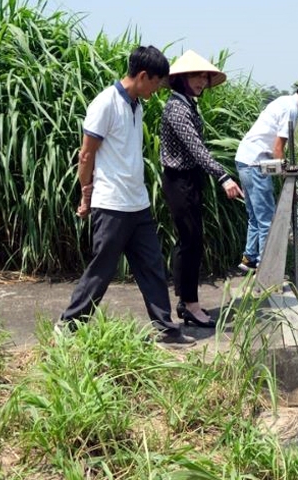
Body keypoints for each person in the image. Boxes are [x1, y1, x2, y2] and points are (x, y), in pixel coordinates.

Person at [56, 45, 193, 345]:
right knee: (101, 270)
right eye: (156, 82)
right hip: (112, 204)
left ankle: (164, 328)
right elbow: (85, 155)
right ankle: (68, 326)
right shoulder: (105, 104)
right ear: (143, 76)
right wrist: (85, 196)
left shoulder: (137, 105)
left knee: (152, 266)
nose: (157, 89)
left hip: (137, 203)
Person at [160, 50, 243, 327]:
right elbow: (197, 149)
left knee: (190, 242)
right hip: (178, 180)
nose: (202, 81)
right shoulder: (176, 107)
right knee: (190, 242)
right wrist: (223, 177)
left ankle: (185, 300)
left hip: (190, 179)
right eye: (196, 75)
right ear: (182, 78)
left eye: (205, 76)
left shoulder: (189, 104)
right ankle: (191, 305)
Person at [234, 73, 298, 271]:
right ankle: (265, 267)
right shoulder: (291, 109)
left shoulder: (284, 101)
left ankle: (249, 259)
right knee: (267, 219)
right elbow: (278, 149)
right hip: (256, 163)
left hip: (244, 159)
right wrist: (290, 182)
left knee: (255, 216)